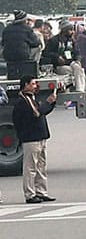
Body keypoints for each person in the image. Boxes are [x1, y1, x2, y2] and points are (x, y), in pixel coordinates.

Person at [11, 75, 57, 203]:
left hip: (40, 136)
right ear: (25, 85)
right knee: (30, 167)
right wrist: (49, 102)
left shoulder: (31, 98)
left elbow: (41, 111)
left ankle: (41, 191)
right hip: (31, 138)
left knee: (41, 166)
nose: (35, 86)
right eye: (33, 84)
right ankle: (30, 194)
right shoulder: (23, 100)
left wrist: (50, 103)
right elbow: (37, 112)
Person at [40, 21, 86, 98]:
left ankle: (80, 91)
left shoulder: (71, 41)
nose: (72, 32)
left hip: (71, 63)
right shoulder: (54, 40)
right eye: (70, 30)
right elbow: (46, 53)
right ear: (64, 31)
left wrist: (78, 59)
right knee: (80, 72)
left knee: (78, 68)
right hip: (59, 66)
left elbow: (77, 52)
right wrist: (57, 57)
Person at [2, 10, 41, 80]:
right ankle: (36, 69)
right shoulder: (27, 29)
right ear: (24, 20)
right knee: (39, 48)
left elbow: (3, 43)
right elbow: (36, 43)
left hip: (8, 56)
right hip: (23, 55)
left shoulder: (6, 29)